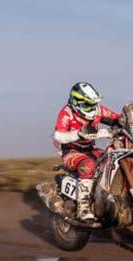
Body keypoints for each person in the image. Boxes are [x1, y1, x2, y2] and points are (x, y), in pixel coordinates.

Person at [52, 82, 120, 222]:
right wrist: (78, 133)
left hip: (90, 149)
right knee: (88, 164)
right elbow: (58, 136)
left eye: (93, 104)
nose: (92, 108)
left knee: (113, 158)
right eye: (87, 105)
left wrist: (132, 122)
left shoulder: (98, 110)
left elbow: (117, 118)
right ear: (76, 102)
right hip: (71, 152)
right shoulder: (67, 113)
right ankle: (83, 208)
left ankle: (108, 198)